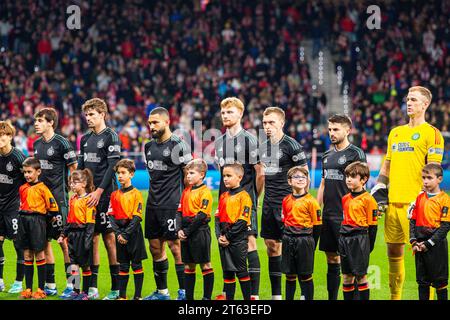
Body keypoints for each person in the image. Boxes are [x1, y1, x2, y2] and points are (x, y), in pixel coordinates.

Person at [373, 86, 445, 300]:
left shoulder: (432, 133)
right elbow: (386, 166)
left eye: (414, 100)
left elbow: (433, 171)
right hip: (394, 204)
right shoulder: (396, 132)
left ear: (425, 105)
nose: (409, 103)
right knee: (393, 254)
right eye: (407, 99)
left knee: (424, 257)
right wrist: (379, 190)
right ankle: (395, 297)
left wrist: (424, 201)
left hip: (417, 206)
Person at [214, 97, 264, 300]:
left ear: (240, 114)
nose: (226, 116)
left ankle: (254, 295)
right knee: (224, 243)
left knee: (249, 244)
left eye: (230, 112)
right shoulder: (218, 142)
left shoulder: (250, 140)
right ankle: (229, 292)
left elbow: (260, 173)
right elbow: (222, 174)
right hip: (225, 204)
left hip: (244, 203)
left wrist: (254, 199)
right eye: (224, 112)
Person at [143, 107, 193, 300]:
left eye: (155, 122)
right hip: (153, 204)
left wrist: (185, 203)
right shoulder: (148, 147)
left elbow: (188, 176)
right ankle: (162, 292)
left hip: (172, 204)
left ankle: (183, 291)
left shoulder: (179, 145)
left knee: (175, 246)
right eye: (149, 123)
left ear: (167, 121)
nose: (151, 126)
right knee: (155, 247)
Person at [260, 106, 308, 300]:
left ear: (281, 122)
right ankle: (276, 296)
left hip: (288, 205)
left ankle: (302, 294)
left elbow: (304, 174)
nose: (267, 126)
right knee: (271, 246)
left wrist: (299, 202)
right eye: (264, 123)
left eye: (271, 122)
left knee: (292, 249)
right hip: (269, 203)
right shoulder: (263, 147)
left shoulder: (292, 145)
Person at [317, 114, 366, 300]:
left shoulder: (356, 154)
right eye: (330, 129)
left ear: (347, 130)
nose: (331, 133)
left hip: (347, 217)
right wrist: (316, 209)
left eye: (336, 129)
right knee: (331, 259)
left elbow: (362, 186)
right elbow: (322, 183)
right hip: (328, 216)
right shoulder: (327, 155)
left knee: (349, 264)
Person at [78, 98, 121, 300]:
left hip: (106, 196)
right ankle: (92, 288)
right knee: (92, 239)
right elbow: (81, 166)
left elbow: (113, 167)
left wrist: (99, 191)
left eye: (92, 114)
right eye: (86, 115)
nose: (88, 118)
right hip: (88, 197)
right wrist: (79, 189)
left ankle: (115, 288)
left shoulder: (111, 137)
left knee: (109, 239)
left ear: (102, 114)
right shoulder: (85, 139)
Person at [33, 107, 78, 297]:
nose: (36, 123)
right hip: (41, 202)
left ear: (51, 122)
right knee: (44, 243)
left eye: (40, 120)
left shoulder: (62, 143)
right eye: (36, 120)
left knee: (65, 243)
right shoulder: (36, 144)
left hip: (59, 201)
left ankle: (73, 286)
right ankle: (51, 286)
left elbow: (74, 170)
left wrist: (74, 194)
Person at [17, 157, 59, 299]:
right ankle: (28, 289)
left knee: (40, 255)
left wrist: (44, 223)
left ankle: (41, 289)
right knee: (27, 255)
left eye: (29, 172)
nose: (27, 175)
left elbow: (53, 209)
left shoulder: (43, 189)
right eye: (25, 172)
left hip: (38, 221)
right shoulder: (22, 188)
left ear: (38, 172)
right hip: (23, 220)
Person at [108, 159, 147, 300]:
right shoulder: (114, 195)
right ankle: (122, 296)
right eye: (118, 173)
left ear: (131, 174)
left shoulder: (137, 194)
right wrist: (119, 233)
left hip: (133, 233)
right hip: (120, 234)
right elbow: (111, 216)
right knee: (123, 265)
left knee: (136, 264)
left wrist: (125, 234)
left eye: (123, 173)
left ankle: (137, 296)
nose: (120, 176)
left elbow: (137, 217)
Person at [409, 163, 450, 300]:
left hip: (436, 246)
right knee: (422, 282)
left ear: (439, 179)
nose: (425, 181)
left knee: (440, 282)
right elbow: (412, 221)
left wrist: (429, 243)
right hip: (419, 246)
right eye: (423, 178)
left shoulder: (445, 200)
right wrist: (414, 241)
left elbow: (445, 226)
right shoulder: (419, 198)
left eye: (429, 178)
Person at [281, 166, 322, 300]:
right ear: (289, 181)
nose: (300, 179)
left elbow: (317, 226)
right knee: (289, 274)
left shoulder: (312, 201)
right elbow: (285, 219)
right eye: (296, 177)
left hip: (304, 240)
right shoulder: (286, 200)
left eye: (303, 177)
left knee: (305, 275)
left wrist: (312, 245)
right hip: (288, 239)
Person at [339, 161, 378, 300]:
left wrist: (368, 246)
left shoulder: (369, 200)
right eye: (347, 176)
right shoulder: (345, 199)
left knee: (361, 276)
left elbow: (373, 226)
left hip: (359, 238)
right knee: (346, 276)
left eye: (353, 176)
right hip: (344, 238)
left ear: (363, 179)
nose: (348, 179)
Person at [176, 159, 214, 300]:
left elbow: (201, 216)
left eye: (192, 173)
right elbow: (179, 211)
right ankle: (189, 298)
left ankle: (206, 298)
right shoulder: (186, 191)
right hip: (186, 232)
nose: (188, 176)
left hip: (199, 232)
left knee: (205, 264)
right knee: (189, 265)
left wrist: (186, 231)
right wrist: (179, 229)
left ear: (202, 175)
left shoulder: (205, 192)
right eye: (187, 173)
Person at [57, 169, 96, 300]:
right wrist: (63, 234)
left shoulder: (89, 200)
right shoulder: (73, 199)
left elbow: (90, 224)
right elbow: (69, 220)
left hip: (83, 234)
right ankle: (75, 290)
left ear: (84, 183)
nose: (72, 185)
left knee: (85, 265)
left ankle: (85, 293)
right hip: (72, 235)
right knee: (73, 265)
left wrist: (87, 241)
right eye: (70, 182)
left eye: (75, 182)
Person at [216, 163, 253, 300]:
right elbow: (218, 218)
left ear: (239, 177)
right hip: (224, 239)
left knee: (241, 271)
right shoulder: (223, 196)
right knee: (228, 273)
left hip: (237, 239)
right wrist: (220, 236)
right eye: (224, 176)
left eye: (229, 176)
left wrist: (228, 237)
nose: (225, 179)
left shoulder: (244, 197)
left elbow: (243, 221)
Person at [0, 121, 26, 293]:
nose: (0, 138)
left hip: (14, 207)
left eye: (3, 135)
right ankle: (0, 280)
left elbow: (28, 181)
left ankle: (18, 282)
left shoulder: (18, 156)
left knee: (18, 245)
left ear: (10, 136)